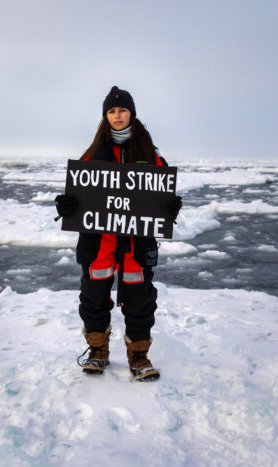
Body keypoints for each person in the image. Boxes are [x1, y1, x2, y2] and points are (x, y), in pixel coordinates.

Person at [55, 86, 182, 381]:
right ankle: (97, 351)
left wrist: (170, 207)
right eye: (111, 111)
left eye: (122, 110)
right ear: (105, 116)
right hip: (99, 243)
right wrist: (67, 204)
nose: (117, 116)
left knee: (140, 298)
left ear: (132, 114)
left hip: (135, 243)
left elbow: (160, 191)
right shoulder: (92, 154)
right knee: (94, 297)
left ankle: (139, 356)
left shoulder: (150, 154)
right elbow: (79, 192)